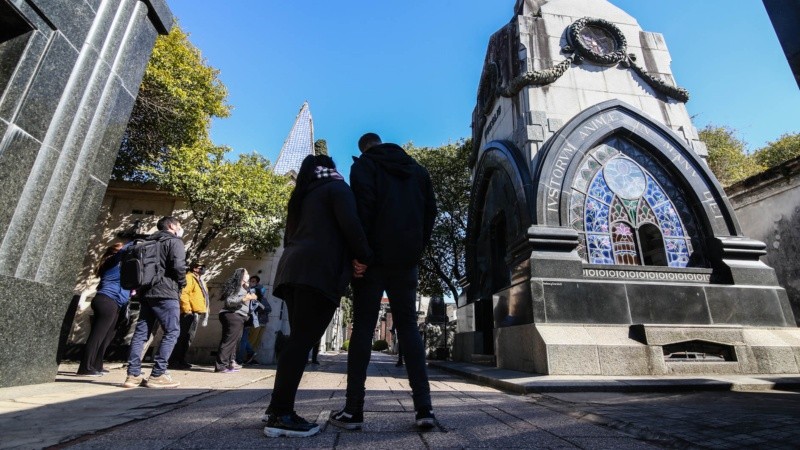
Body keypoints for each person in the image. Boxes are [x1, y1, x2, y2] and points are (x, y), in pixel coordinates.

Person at [329, 133, 437, 430]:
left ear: (363, 148)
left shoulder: (364, 165)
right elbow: (431, 212)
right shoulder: (417, 170)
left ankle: (353, 410)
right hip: (406, 261)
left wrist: (360, 255)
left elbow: (363, 210)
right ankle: (424, 409)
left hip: (373, 260)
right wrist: (416, 248)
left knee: (363, 329)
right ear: (381, 143)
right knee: (409, 329)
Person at [263, 154, 372, 438]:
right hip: (318, 273)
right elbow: (351, 226)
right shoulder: (336, 187)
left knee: (297, 341)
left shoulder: (302, 195)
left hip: (292, 271)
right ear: (332, 167)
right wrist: (364, 258)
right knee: (301, 342)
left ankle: (276, 407)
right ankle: (281, 414)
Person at [123, 216, 187, 389]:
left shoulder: (147, 242)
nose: (180, 228)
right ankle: (158, 374)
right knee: (172, 331)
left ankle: (133, 375)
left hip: (146, 292)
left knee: (141, 333)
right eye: (179, 225)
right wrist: (182, 283)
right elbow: (179, 266)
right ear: (171, 225)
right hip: (166, 292)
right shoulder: (174, 242)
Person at [77, 241, 132, 376]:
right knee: (97, 336)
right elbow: (123, 251)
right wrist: (136, 242)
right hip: (107, 301)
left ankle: (97, 365)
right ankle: (85, 367)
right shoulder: (112, 262)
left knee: (107, 336)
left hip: (114, 303)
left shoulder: (120, 265)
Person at [169, 262, 209, 370]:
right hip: (189, 313)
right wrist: (187, 310)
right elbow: (184, 294)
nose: (204, 269)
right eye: (202, 267)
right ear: (195, 268)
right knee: (182, 337)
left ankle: (181, 360)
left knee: (188, 338)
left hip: (196, 312)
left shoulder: (199, 280)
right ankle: (174, 361)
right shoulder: (189, 278)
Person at [215, 268, 256, 373]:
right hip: (233, 315)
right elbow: (229, 301)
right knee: (229, 341)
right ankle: (221, 366)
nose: (248, 275)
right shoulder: (236, 287)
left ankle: (230, 363)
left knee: (234, 341)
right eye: (246, 273)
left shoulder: (243, 287)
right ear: (241, 276)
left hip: (238, 316)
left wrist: (250, 295)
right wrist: (245, 298)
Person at [238, 275, 271, 365]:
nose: (251, 283)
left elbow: (267, 308)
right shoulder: (250, 292)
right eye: (250, 281)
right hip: (251, 319)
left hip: (253, 319)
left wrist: (256, 310)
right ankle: (249, 355)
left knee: (247, 340)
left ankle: (243, 358)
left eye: (253, 281)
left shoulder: (256, 293)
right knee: (246, 339)